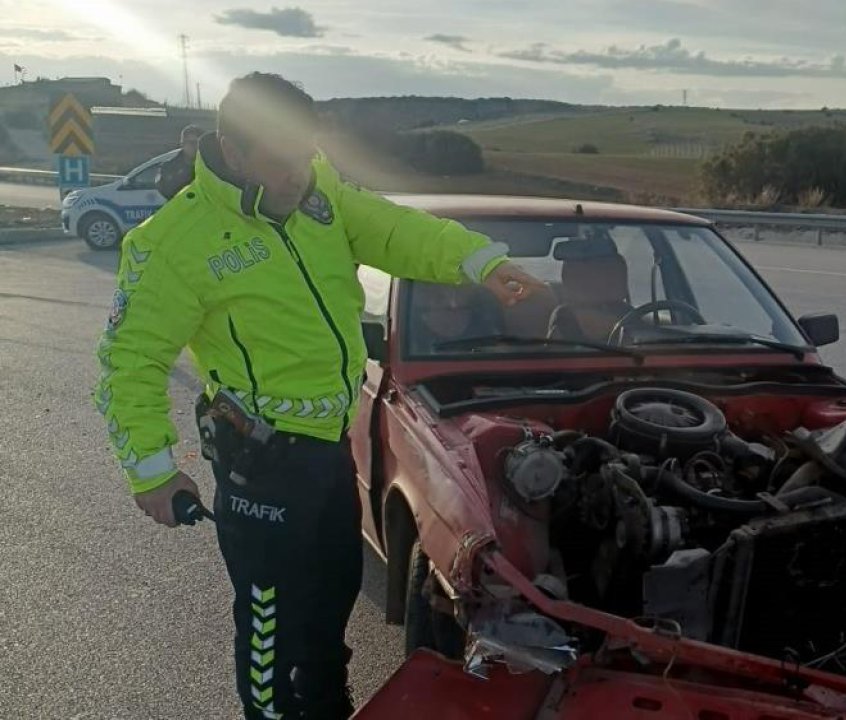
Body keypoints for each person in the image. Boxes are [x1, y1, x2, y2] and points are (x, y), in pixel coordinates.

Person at [93, 72, 541, 719]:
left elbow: (393, 230)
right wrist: (152, 471)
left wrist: (480, 262)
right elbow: (128, 362)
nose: (297, 175)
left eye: (304, 154)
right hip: (261, 467)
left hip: (331, 453)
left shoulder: (317, 192)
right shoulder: (172, 243)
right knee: (270, 629)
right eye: (281, 160)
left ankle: (327, 706)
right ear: (232, 149)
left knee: (331, 599)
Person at [156, 124, 204, 200]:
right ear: (182, 144)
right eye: (192, 143)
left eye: (199, 143)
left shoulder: (210, 167)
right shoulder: (168, 167)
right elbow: (167, 191)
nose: (196, 147)